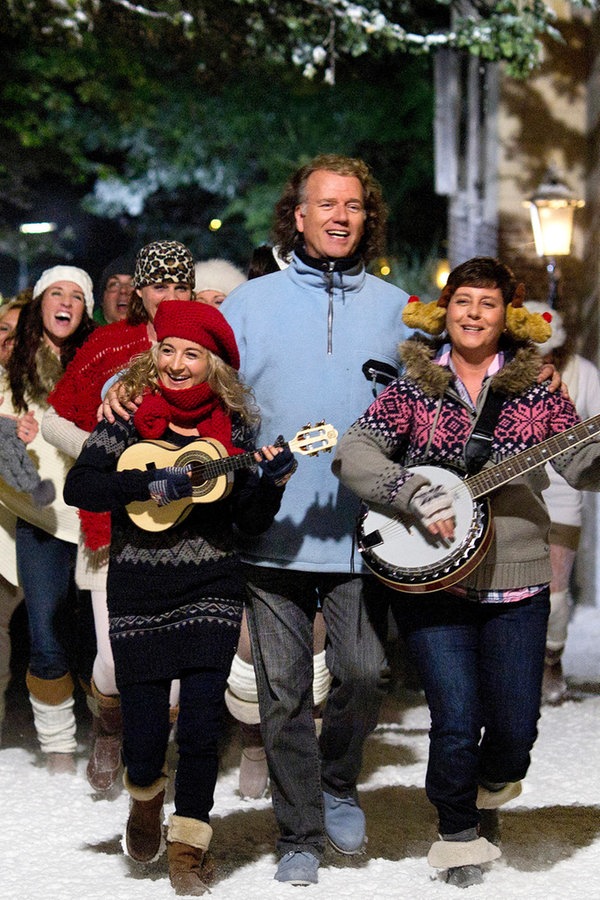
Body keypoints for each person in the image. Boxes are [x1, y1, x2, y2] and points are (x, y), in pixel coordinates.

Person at [332, 256, 600, 888]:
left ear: (508, 316)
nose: (473, 313)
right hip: (434, 582)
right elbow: (352, 451)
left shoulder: (537, 391)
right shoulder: (415, 387)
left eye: (487, 303)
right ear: (444, 311)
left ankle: (484, 793)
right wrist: (411, 493)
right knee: (455, 720)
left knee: (514, 729)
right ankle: (457, 833)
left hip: (518, 574)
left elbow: (583, 466)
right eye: (462, 301)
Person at [218, 154, 411, 884]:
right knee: (284, 692)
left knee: (364, 674)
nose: (339, 216)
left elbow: (455, 377)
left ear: (367, 217)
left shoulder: (398, 309)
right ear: (296, 215)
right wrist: (120, 388)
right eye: (324, 204)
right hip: (272, 530)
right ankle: (298, 832)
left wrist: (533, 367)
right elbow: (182, 368)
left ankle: (336, 780)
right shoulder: (249, 303)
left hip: (363, 533)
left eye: (353, 205)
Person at [63, 300, 296, 896]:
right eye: (167, 349)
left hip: (212, 584)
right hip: (140, 587)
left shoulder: (236, 428)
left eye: (191, 353)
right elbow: (81, 484)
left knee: (197, 729)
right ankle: (144, 801)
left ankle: (190, 847)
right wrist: (148, 482)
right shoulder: (128, 413)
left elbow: (247, 520)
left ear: (213, 364)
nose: (176, 362)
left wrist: (269, 486)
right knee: (144, 735)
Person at [42, 240, 195, 793]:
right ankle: (109, 727)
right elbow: (55, 417)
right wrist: (107, 455)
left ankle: (149, 765)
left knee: (174, 675)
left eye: (181, 286)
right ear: (140, 290)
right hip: (112, 530)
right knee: (111, 662)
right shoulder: (109, 345)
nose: (170, 296)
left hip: (181, 525)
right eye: (159, 285)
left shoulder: (204, 347)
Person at [0, 265, 95, 771]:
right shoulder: (14, 361)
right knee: (47, 636)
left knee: (101, 640)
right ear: (40, 304)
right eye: (55, 292)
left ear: (86, 309)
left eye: (76, 295)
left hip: (99, 515)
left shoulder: (99, 359)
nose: (65, 301)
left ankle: (108, 735)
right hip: (41, 518)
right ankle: (57, 747)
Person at [524, 300, 600, 703]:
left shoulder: (584, 375)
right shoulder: (506, 372)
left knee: (554, 592)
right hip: (513, 490)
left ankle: (551, 660)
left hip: (564, 494)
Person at [0, 291, 31, 741]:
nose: (8, 339)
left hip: (34, 522)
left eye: (18, 333)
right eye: (3, 329)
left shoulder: (43, 389)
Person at [93, 255, 136, 325]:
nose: (123, 290)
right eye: (114, 284)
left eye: (132, 284)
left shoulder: (157, 333)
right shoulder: (85, 334)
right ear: (102, 299)